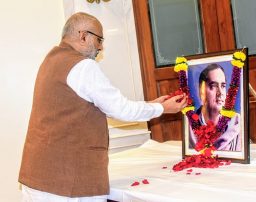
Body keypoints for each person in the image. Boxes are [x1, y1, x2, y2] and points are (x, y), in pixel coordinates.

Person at [19, 12, 187, 202]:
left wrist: (153, 105)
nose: (101, 47)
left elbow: (91, 106)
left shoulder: (51, 60)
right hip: (66, 183)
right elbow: (120, 109)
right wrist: (162, 109)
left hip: (39, 176)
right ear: (83, 36)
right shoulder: (82, 66)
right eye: (99, 40)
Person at [189, 63, 241, 151]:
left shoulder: (237, 122)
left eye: (223, 86)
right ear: (201, 91)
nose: (220, 93)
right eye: (214, 86)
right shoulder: (190, 125)